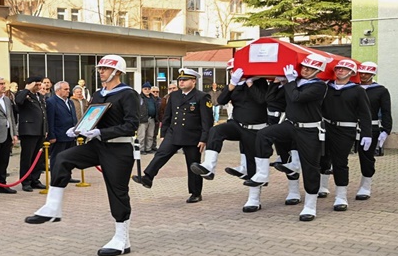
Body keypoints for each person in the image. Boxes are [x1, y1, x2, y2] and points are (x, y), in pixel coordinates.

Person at [25, 55, 139, 256]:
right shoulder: (98, 93)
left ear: (117, 72)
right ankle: (52, 208)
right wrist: (78, 128)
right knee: (62, 159)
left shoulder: (127, 94)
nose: (101, 71)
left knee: (117, 192)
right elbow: (92, 117)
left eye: (105, 68)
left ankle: (122, 239)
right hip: (97, 145)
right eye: (100, 68)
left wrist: (101, 132)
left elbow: (131, 125)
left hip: (118, 148)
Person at [244, 53, 328, 221]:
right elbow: (270, 99)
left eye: (310, 68)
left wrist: (289, 82)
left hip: (309, 130)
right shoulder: (294, 82)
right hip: (290, 125)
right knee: (264, 134)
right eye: (304, 67)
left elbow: (297, 98)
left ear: (318, 71)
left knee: (310, 168)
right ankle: (262, 173)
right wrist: (277, 83)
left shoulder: (319, 86)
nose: (305, 70)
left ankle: (310, 205)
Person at [190, 68, 269, 212]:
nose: (233, 72)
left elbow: (261, 100)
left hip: (255, 128)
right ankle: (208, 167)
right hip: (237, 124)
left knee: (252, 163)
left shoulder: (260, 82)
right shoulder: (235, 84)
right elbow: (221, 100)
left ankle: (254, 199)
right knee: (216, 131)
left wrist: (250, 83)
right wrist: (232, 84)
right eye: (231, 71)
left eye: (235, 70)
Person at [133, 69, 214, 203]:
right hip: (174, 132)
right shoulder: (174, 95)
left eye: (184, 80)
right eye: (180, 80)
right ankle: (148, 177)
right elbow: (168, 115)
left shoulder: (201, 96)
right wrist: (164, 133)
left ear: (193, 81)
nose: (181, 82)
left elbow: (207, 120)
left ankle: (195, 193)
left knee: (193, 164)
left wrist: (204, 138)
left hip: (192, 135)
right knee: (161, 154)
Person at [317, 59, 372, 212]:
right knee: (322, 158)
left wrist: (367, 133)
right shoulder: (326, 87)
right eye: (338, 68)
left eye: (344, 69)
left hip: (345, 130)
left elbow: (365, 113)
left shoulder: (358, 90)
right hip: (325, 127)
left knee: (340, 162)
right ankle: (322, 186)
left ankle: (341, 196)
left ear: (352, 73)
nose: (340, 71)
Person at [355, 62, 392, 200]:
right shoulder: (353, 87)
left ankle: (365, 186)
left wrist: (386, 130)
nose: (363, 75)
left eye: (367, 73)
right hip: (350, 126)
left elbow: (386, 111)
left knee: (367, 157)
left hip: (371, 127)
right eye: (361, 73)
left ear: (373, 74)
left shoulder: (381, 90)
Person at [16, 76, 48, 192]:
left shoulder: (39, 96)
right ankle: (26, 181)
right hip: (29, 131)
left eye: (40, 85)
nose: (39, 87)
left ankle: (35, 179)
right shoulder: (24, 94)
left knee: (38, 158)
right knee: (27, 158)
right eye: (36, 85)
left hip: (39, 131)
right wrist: (27, 89)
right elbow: (18, 101)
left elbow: (44, 114)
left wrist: (45, 129)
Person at [46, 81, 78, 167]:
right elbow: (50, 120)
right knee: (57, 158)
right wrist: (52, 135)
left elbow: (73, 116)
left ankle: (66, 173)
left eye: (68, 89)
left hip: (71, 135)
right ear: (58, 90)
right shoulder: (51, 102)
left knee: (68, 159)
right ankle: (56, 174)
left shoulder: (70, 102)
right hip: (59, 136)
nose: (68, 91)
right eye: (65, 89)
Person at [137, 82, 158, 154]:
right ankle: (141, 149)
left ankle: (148, 148)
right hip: (142, 119)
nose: (147, 90)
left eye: (148, 89)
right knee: (141, 135)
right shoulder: (139, 98)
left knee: (150, 135)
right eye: (145, 89)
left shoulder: (153, 98)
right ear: (142, 89)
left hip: (152, 118)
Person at [149, 85, 161, 151]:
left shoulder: (160, 100)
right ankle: (148, 147)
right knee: (149, 134)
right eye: (154, 91)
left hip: (157, 119)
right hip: (151, 118)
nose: (155, 93)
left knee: (155, 133)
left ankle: (154, 146)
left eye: (157, 91)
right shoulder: (149, 99)